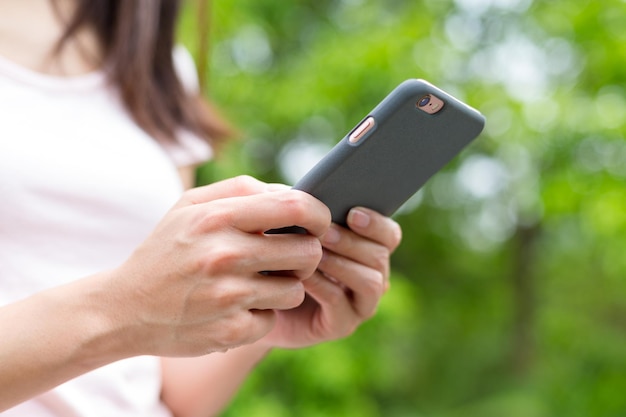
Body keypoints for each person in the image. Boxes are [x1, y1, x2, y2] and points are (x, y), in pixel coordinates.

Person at [0, 0, 402, 416]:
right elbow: (133, 311)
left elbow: (171, 390)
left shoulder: (156, 67)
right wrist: (125, 308)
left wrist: (266, 306)